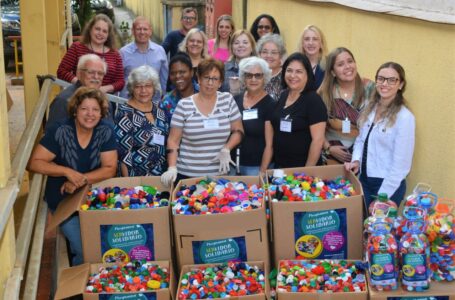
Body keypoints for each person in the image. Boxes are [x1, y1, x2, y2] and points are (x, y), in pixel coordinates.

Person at [27, 87, 118, 265]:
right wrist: (66, 171)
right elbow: (33, 163)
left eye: (95, 110)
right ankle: (79, 290)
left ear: (101, 113)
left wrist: (79, 179)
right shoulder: (59, 130)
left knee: (105, 246)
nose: (90, 114)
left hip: (93, 199)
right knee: (85, 250)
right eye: (84, 108)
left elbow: (109, 168)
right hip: (63, 200)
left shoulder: (105, 131)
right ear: (75, 110)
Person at [161, 58, 244, 186]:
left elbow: (238, 131)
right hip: (188, 176)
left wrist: (227, 148)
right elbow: (173, 140)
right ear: (198, 79)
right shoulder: (184, 105)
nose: (210, 83)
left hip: (219, 176)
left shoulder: (227, 100)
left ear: (220, 82)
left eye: (215, 79)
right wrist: (172, 167)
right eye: (206, 77)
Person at [345, 62, 415, 207]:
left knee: (380, 229)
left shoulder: (405, 118)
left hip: (388, 185)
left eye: (392, 80)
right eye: (381, 78)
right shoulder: (369, 108)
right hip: (364, 179)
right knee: (361, 225)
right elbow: (360, 140)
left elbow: (401, 166)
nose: (385, 84)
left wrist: (382, 198)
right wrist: (356, 160)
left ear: (400, 85)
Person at [264, 52, 327, 168]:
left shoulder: (313, 100)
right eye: (289, 70)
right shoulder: (283, 95)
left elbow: (318, 141)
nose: (293, 75)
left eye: (299, 71)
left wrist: (306, 173)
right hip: (280, 167)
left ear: (307, 74)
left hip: (301, 174)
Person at [319, 47, 375, 164]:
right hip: (333, 156)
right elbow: (315, 127)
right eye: (340, 64)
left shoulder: (370, 88)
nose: (347, 66)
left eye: (350, 61)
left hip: (364, 156)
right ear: (333, 72)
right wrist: (328, 148)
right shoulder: (324, 93)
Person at [114, 66, 169, 176]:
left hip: (162, 177)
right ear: (131, 89)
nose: (143, 91)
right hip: (137, 180)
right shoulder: (125, 114)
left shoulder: (159, 111)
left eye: (148, 86)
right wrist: (129, 187)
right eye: (138, 86)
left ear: (154, 87)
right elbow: (123, 156)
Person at [57, 14, 124, 93]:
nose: (100, 33)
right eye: (97, 29)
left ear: (108, 35)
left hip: (106, 98)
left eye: (104, 31)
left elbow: (120, 82)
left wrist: (103, 89)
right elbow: (62, 71)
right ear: (90, 29)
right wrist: (81, 84)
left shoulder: (115, 54)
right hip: (80, 95)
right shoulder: (77, 47)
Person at [232, 57, 274, 175]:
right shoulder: (235, 100)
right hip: (233, 165)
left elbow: (270, 145)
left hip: (256, 167)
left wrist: (262, 171)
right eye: (249, 75)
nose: (253, 79)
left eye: (258, 75)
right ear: (243, 78)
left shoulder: (270, 104)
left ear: (264, 77)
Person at [48, 54, 108, 128]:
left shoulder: (105, 101)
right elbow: (53, 135)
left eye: (100, 73)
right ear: (79, 73)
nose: (96, 77)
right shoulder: (64, 100)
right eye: (90, 72)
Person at [120, 16, 168, 98]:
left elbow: (164, 78)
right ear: (133, 31)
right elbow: (119, 79)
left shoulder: (160, 51)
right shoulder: (123, 53)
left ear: (150, 31)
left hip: (154, 103)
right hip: (129, 103)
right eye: (138, 29)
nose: (142, 32)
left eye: (145, 29)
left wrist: (163, 95)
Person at [159, 53, 199, 122]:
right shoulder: (166, 101)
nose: (177, 76)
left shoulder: (204, 93)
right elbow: (161, 130)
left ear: (192, 72)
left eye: (182, 72)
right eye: (173, 73)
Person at [221, 30, 257, 95]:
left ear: (252, 47)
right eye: (236, 43)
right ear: (232, 47)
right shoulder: (223, 69)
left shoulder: (259, 69)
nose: (240, 45)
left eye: (245, 42)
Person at [297, 25, 328, 89]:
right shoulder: (295, 63)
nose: (310, 43)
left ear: (321, 43)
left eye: (315, 39)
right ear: (302, 43)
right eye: (307, 39)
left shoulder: (329, 64)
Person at [257, 33, 286, 101]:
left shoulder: (286, 77)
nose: (269, 56)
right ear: (259, 55)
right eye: (265, 52)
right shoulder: (254, 76)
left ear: (280, 57)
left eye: (273, 52)